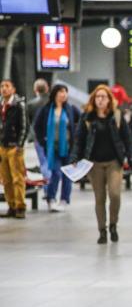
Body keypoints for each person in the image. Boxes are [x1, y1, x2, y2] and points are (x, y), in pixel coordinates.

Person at [70, 85, 132, 244]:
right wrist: (74, 157)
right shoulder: (87, 118)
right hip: (94, 164)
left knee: (115, 195)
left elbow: (128, 139)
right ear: (93, 99)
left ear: (109, 100)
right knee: (99, 198)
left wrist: (131, 156)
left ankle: (113, 224)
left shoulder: (117, 116)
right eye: (97, 97)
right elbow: (79, 140)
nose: (100, 100)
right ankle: (102, 230)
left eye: (103, 97)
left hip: (114, 161)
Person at [33, 84, 81, 212]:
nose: (63, 94)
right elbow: (37, 127)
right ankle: (51, 198)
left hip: (68, 148)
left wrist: (76, 139)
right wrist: (43, 142)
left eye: (65, 92)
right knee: (55, 173)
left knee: (67, 175)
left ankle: (64, 199)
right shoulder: (46, 109)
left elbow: (81, 123)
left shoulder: (71, 109)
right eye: (61, 91)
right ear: (55, 94)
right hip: (52, 148)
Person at [0, 79, 28, 219]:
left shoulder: (19, 105)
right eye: (2, 86)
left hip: (14, 147)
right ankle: (11, 206)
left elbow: (24, 126)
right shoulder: (1, 104)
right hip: (2, 147)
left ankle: (20, 207)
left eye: (7, 86)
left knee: (18, 178)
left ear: (13, 89)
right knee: (5, 179)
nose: (4, 89)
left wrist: (19, 145)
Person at [26, 79, 49, 143]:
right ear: (47, 88)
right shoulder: (54, 102)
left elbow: (27, 123)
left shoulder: (30, 104)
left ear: (35, 89)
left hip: (35, 138)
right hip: (51, 137)